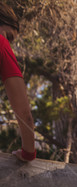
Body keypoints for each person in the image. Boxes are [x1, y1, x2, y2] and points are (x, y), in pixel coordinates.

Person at [0, 2, 36, 162]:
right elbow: (24, 114)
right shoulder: (1, 43)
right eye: (9, 36)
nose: (8, 43)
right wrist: (28, 153)